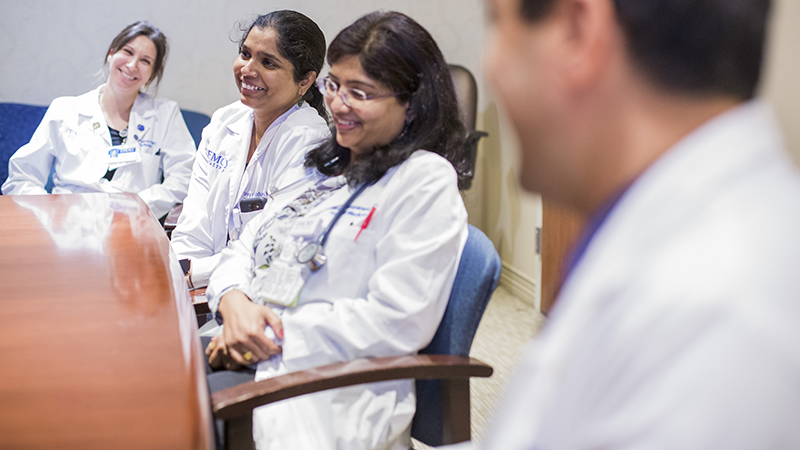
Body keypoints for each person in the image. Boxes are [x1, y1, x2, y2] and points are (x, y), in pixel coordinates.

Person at [470, 0, 800, 448]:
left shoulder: (715, 316)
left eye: (497, 23)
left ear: (577, 29)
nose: (492, 67)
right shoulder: (679, 236)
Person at [203, 11, 470, 449]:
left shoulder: (424, 180)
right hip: (248, 347)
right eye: (335, 85)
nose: (338, 103)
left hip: (318, 384)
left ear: (414, 102)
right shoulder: (325, 168)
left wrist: (266, 334)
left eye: (359, 92)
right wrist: (233, 302)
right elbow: (247, 245)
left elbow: (397, 320)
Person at [170, 10, 331, 290]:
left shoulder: (308, 142)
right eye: (245, 54)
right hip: (197, 286)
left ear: (304, 81)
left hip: (263, 294)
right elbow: (193, 225)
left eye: (268, 62)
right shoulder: (224, 122)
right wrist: (181, 273)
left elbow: (272, 247)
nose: (247, 70)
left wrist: (193, 274)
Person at [2, 21, 195, 219]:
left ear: (152, 74)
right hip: (68, 227)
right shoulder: (65, 110)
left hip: (133, 225)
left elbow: (184, 178)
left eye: (145, 61)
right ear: (111, 54)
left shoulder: (165, 114)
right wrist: (51, 215)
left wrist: (138, 205)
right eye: (128, 52)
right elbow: (22, 177)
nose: (132, 65)